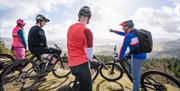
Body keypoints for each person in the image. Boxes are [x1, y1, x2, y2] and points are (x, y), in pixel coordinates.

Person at [110, 20, 147, 91]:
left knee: (135, 78)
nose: (122, 28)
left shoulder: (128, 36)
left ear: (127, 27)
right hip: (142, 54)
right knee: (126, 57)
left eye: (123, 27)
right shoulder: (135, 31)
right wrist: (114, 31)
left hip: (137, 57)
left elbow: (123, 48)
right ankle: (131, 69)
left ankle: (136, 88)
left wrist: (119, 58)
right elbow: (123, 33)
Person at [67, 6, 93, 91]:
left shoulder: (70, 27)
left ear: (79, 16)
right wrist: (91, 58)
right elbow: (89, 56)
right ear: (89, 17)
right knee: (87, 88)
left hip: (71, 63)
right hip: (82, 65)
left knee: (82, 84)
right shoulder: (87, 31)